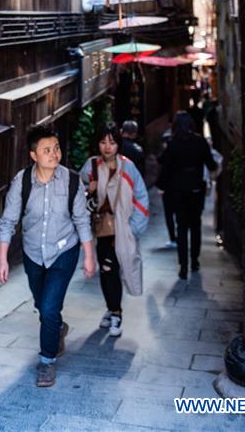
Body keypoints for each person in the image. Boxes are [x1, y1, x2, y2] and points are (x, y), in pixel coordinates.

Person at [0, 126, 95, 388]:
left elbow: (82, 220)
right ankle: (58, 328)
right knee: (43, 307)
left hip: (64, 251)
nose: (54, 154)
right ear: (34, 155)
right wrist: (3, 259)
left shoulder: (72, 181)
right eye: (47, 150)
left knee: (50, 307)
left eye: (56, 148)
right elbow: (8, 222)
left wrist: (88, 256)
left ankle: (47, 361)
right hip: (33, 253)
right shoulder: (22, 181)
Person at [80, 125, 149, 338]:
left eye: (112, 142)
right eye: (103, 142)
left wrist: (133, 228)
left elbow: (141, 197)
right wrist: (87, 190)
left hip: (123, 227)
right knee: (107, 270)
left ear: (118, 144)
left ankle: (115, 312)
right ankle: (114, 310)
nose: (107, 147)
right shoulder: (91, 166)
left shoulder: (128, 168)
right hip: (102, 228)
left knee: (115, 268)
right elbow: (78, 197)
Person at [158, 111, 217, 280]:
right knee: (195, 225)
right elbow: (211, 165)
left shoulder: (173, 144)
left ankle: (183, 266)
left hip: (177, 191)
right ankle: (195, 260)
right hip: (196, 190)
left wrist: (162, 186)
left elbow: (164, 164)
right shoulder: (200, 142)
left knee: (181, 227)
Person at [156, 130, 177, 249]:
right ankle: (178, 237)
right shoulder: (179, 151)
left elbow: (160, 162)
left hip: (169, 188)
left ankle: (173, 238)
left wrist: (161, 187)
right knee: (179, 214)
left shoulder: (167, 152)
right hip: (180, 187)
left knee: (169, 214)